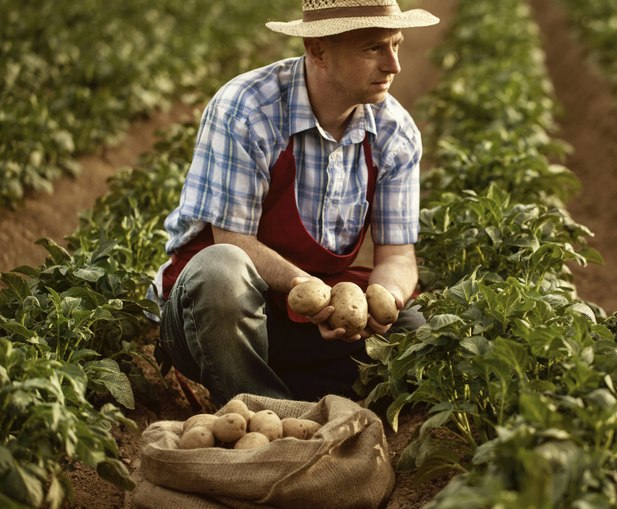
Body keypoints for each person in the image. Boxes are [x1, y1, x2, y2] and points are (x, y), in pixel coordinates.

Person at [149, 0, 440, 406]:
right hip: (220, 321)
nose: (394, 65)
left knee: (417, 333)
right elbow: (232, 241)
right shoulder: (248, 109)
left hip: (306, 326)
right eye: (373, 48)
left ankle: (284, 396)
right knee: (222, 272)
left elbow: (398, 254)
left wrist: (383, 300)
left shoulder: (394, 132)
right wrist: (312, 293)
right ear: (318, 50)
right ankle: (259, 408)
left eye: (396, 45)